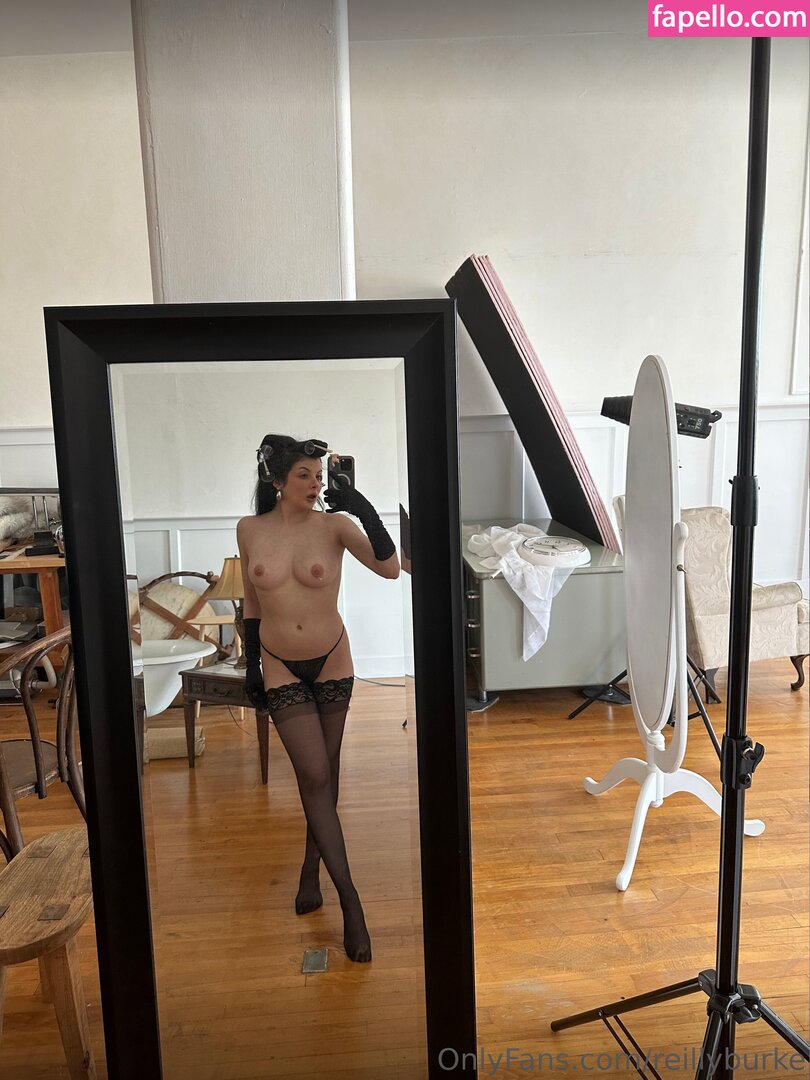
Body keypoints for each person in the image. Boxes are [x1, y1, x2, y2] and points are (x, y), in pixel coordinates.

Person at [236, 434, 399, 963]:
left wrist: (361, 506)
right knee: (313, 776)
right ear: (276, 480)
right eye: (303, 475)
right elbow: (252, 601)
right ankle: (351, 900)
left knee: (323, 776)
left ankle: (313, 869)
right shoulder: (249, 529)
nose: (315, 483)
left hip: (331, 659)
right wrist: (251, 665)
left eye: (319, 474)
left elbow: (390, 567)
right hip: (278, 661)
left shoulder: (336, 526)